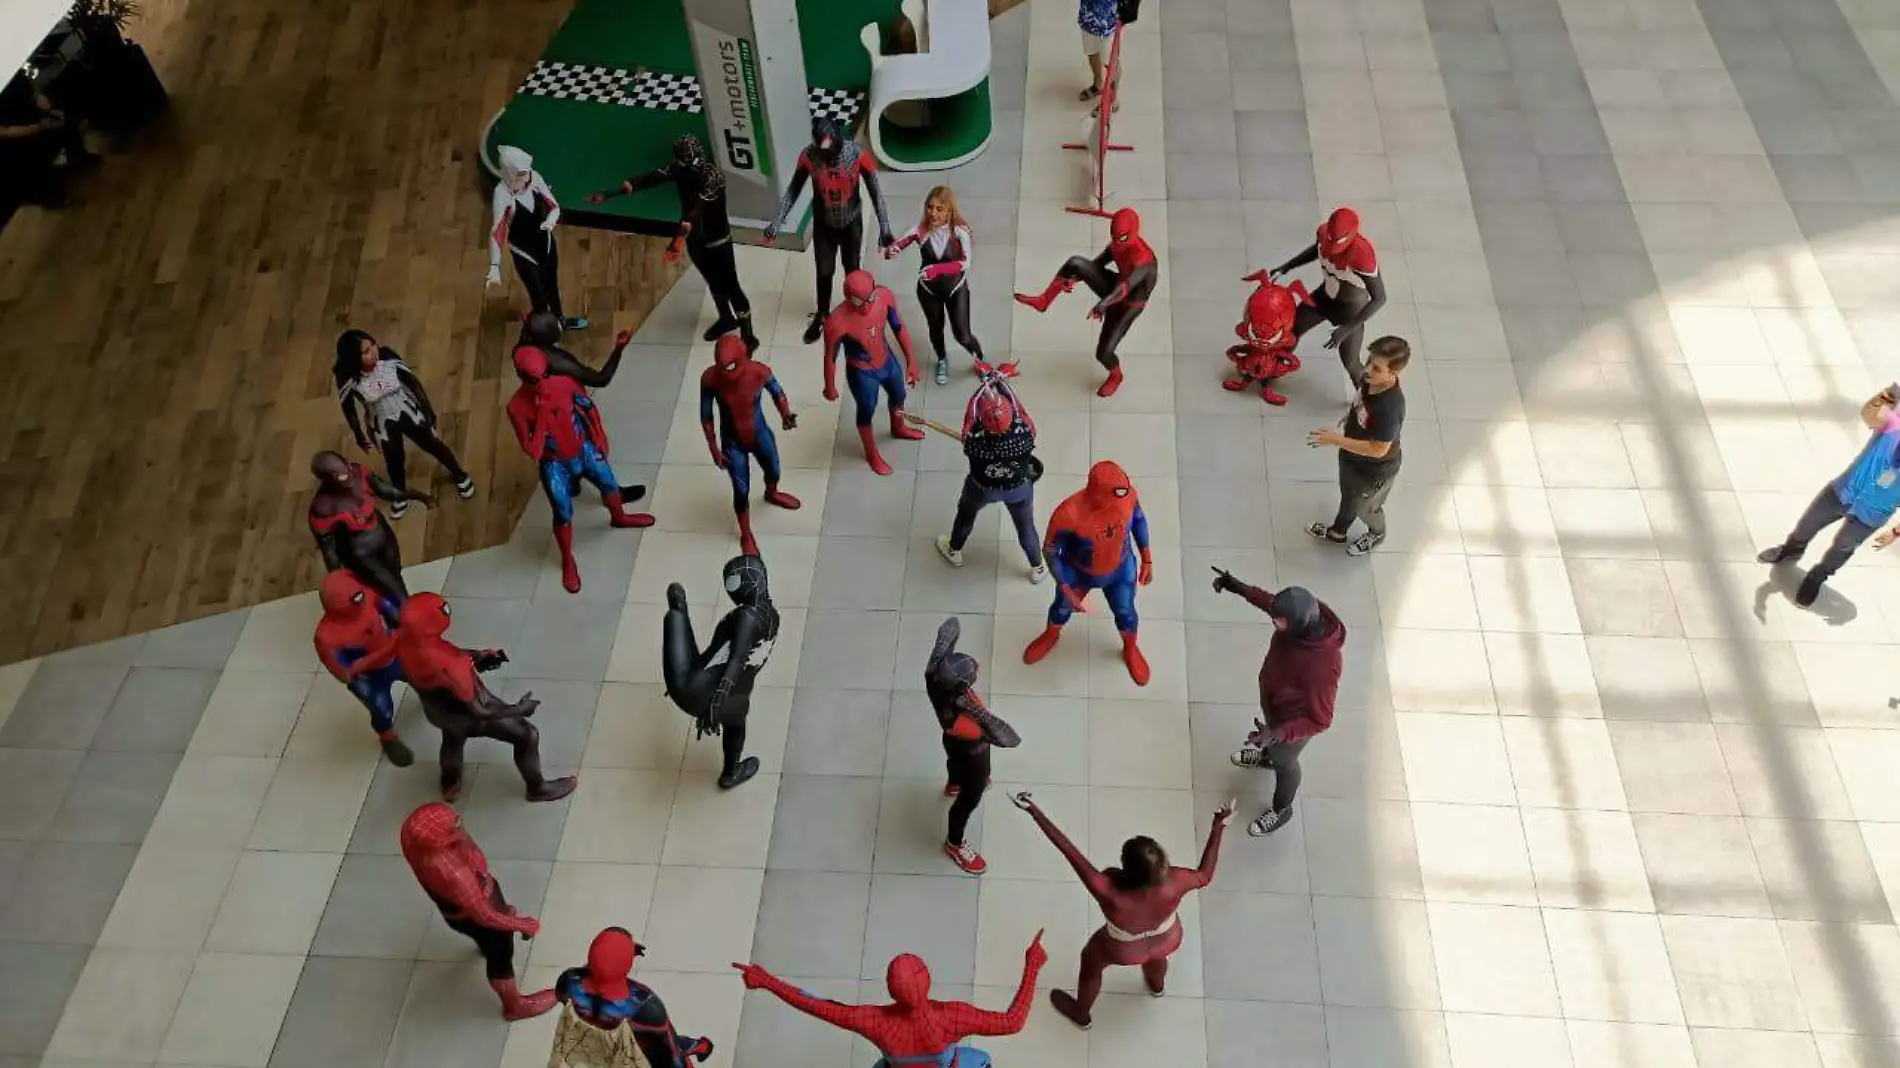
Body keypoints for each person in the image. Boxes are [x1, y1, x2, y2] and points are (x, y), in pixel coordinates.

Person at [1010, 791, 1233, 1030]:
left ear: (1125, 867)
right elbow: (1205, 875)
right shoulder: (1177, 880)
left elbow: (1068, 850)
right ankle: (1156, 986)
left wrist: (1035, 812)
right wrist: (1218, 826)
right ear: (1164, 862)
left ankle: (1081, 1014)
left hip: (1125, 949)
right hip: (1168, 938)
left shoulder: (1107, 890)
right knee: (1158, 957)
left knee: (1091, 963)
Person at [350, 594, 578, 803]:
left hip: (439, 713)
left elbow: (432, 653)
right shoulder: (453, 669)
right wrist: (520, 709)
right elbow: (482, 711)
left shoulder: (401, 639)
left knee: (452, 739)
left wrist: (476, 656)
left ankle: (450, 781)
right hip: (468, 713)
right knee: (527, 735)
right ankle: (537, 789)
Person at [733, 933, 1047, 1068]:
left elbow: (816, 1005)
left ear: (890, 989)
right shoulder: (953, 1016)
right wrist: (1032, 966)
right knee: (980, 1058)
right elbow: (1012, 1021)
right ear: (928, 982)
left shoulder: (873, 1022)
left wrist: (768, 981)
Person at [507, 341, 654, 594]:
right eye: (535, 378)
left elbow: (587, 406)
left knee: (608, 482)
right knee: (562, 511)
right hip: (554, 463)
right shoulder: (517, 407)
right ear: (521, 376)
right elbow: (533, 450)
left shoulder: (563, 383)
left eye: (545, 374)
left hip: (583, 449)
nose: (542, 382)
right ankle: (567, 559)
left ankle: (619, 517)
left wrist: (598, 434)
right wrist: (541, 416)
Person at [587, 134, 756, 349]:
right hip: (695, 239)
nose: (686, 162)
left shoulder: (712, 177)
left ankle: (748, 334)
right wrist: (609, 194)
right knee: (712, 281)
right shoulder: (678, 168)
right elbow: (649, 179)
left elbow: (695, 212)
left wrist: (676, 243)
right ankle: (726, 318)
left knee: (731, 286)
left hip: (717, 239)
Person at [1210, 571, 1344, 836]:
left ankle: (1282, 809)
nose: (1275, 624)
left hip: (1292, 723)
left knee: (1286, 762)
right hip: (1275, 707)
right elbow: (1270, 603)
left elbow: (1321, 720)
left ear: (1298, 624)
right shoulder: (1304, 616)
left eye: (1279, 623)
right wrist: (1239, 587)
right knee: (1273, 749)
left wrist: (1278, 734)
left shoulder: (1323, 664)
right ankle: (1266, 756)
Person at [400, 802, 556, 1021]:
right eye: (453, 825)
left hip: (454, 911)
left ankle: (486, 945)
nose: (458, 822)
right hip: (476, 913)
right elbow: (484, 916)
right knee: (500, 953)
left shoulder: (410, 834)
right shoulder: (455, 874)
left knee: (483, 936)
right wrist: (521, 924)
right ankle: (514, 1004)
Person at [1758, 384, 1900, 608]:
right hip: (1842, 492)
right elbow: (1869, 415)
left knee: (1843, 547)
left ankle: (1817, 577)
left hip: (1872, 514)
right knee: (1806, 525)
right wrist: (1883, 398)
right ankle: (1790, 550)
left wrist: (1895, 531)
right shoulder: (1895, 425)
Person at [905, 363, 1047, 583]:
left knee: (965, 515)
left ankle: (954, 550)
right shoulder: (1027, 433)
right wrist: (998, 379)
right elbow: (1020, 408)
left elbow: (969, 417)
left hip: (983, 488)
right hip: (1018, 489)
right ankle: (1037, 567)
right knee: (1025, 525)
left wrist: (985, 384)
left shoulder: (973, 442)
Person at [764, 117, 895, 344]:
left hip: (851, 223)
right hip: (824, 225)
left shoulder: (856, 154)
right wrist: (777, 221)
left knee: (853, 272)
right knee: (824, 272)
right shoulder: (809, 157)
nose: (830, 160)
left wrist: (885, 227)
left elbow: (876, 192)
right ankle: (823, 314)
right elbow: (793, 190)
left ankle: (856, 313)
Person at [1022, 461, 1153, 686]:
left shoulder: (1128, 497)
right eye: (1111, 498)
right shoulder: (1069, 513)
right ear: (1096, 494)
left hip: (1120, 570)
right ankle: (1051, 635)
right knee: (1061, 608)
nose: (1118, 503)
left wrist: (1146, 556)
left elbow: (1139, 519)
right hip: (1078, 572)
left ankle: (1130, 649)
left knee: (1126, 613)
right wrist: (1064, 586)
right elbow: (1051, 551)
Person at [1013, 207, 1157, 399]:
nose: (1116, 243)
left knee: (1104, 353)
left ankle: (1116, 375)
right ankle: (1044, 300)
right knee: (1075, 263)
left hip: (1129, 304)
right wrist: (1075, 278)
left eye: (1121, 239)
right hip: (1114, 288)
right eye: (1113, 237)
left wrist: (1103, 304)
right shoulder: (1117, 243)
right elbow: (1097, 264)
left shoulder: (1144, 259)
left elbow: (1126, 287)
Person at [661, 555, 777, 790]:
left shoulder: (746, 616)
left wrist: (716, 700)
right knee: (736, 724)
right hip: (736, 702)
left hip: (693, 689)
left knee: (675, 612)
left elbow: (736, 658)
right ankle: (730, 773)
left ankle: (679, 608)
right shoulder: (773, 617)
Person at [332, 329, 475, 512]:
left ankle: (459, 474)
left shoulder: (387, 357)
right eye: (366, 351)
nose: (373, 352)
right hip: (381, 421)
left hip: (406, 409)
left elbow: (412, 382)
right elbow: (348, 408)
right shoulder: (348, 378)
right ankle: (399, 493)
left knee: (432, 444)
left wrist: (427, 409)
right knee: (394, 459)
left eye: (372, 345)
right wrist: (358, 433)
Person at [926, 618, 1021, 875]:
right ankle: (955, 843)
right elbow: (1008, 738)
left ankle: (954, 783)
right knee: (970, 797)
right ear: (962, 686)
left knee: (954, 763)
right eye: (972, 673)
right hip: (973, 753)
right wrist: (976, 709)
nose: (976, 668)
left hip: (952, 745)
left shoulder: (933, 677)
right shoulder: (965, 724)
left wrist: (941, 650)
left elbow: (950, 626)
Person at [549, 928, 715, 1068]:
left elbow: (583, 986)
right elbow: (668, 1056)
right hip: (637, 1052)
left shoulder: (568, 980)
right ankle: (699, 1046)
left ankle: (696, 1045)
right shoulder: (643, 1004)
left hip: (594, 1050)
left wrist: (609, 962)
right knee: (669, 1046)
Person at [1306, 335, 1408, 556]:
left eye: (1377, 368)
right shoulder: (1370, 381)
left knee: (1366, 507)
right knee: (1349, 495)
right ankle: (1338, 533)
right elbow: (1361, 401)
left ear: (1394, 372)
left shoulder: (1390, 408)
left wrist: (1337, 440)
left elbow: (1378, 449)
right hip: (1352, 457)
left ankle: (1377, 532)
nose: (1368, 369)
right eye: (1369, 361)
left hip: (1374, 470)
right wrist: (1350, 416)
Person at [700, 334, 800, 556]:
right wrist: (714, 449)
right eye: (722, 368)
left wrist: (785, 414)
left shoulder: (759, 371)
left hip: (759, 434)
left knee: (773, 468)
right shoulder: (710, 379)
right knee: (741, 490)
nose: (727, 373)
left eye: (731, 366)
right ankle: (746, 534)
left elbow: (778, 393)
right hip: (732, 442)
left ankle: (772, 493)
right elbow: (706, 418)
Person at [1263, 206, 1385, 384]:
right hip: (1323, 297)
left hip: (1350, 311)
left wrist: (1347, 328)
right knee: (1291, 330)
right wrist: (1285, 267)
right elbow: (1317, 250)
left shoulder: (1362, 255)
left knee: (1351, 363)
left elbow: (1380, 298)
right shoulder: (1322, 234)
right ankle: (1272, 368)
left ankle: (1366, 402)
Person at [822, 269, 923, 476]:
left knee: (899, 395)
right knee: (867, 408)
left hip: (886, 360)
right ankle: (871, 453)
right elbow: (830, 358)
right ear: (848, 297)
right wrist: (829, 386)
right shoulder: (837, 322)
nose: (867, 305)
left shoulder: (884, 297)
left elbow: (899, 327)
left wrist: (911, 360)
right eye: (860, 302)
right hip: (862, 372)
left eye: (870, 298)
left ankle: (898, 427)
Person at [883, 186, 987, 386]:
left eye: (940, 209)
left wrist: (937, 270)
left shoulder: (960, 232)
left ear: (949, 210)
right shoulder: (920, 231)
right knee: (935, 328)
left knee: (962, 334)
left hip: (956, 288)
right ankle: (942, 359)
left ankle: (980, 360)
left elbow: (965, 263)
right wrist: (892, 250)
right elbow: (899, 243)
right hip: (928, 290)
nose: (933, 213)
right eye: (930, 207)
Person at [313, 571, 415, 766]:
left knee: (422, 675)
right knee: (381, 708)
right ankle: (388, 737)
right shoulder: (326, 638)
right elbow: (345, 674)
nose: (360, 605)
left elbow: (386, 606)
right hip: (368, 677)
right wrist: (383, 651)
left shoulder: (365, 596)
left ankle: (436, 701)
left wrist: (403, 622)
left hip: (394, 655)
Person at [308, 451, 434, 606]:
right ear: (327, 480)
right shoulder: (323, 509)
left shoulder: (359, 473)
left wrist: (417, 496)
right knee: (394, 588)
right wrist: (338, 582)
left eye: (347, 468)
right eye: (340, 476)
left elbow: (386, 491)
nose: (349, 476)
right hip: (361, 553)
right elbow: (329, 551)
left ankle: (389, 609)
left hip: (383, 534)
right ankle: (408, 617)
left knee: (395, 573)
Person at [487, 146, 588, 330]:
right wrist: (494, 265)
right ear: (511, 174)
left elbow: (554, 206)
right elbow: (498, 231)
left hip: (546, 243)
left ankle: (560, 320)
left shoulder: (535, 178)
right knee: (538, 297)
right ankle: (546, 334)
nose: (528, 176)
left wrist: (551, 220)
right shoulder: (501, 195)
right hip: (524, 253)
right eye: (522, 173)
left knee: (552, 286)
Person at [0, 73, 98, 210]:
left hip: (28, 115)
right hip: (12, 136)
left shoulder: (9, 70)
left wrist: (49, 108)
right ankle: (50, 196)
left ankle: (78, 156)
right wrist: (38, 127)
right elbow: (4, 131)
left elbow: (31, 93)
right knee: (35, 146)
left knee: (66, 111)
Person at [1223, 275, 1309, 406]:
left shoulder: (1274, 349)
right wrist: (1240, 361)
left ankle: (1261, 388)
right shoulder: (1254, 344)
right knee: (1250, 378)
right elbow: (1232, 351)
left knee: (1263, 381)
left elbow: (1294, 363)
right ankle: (1244, 384)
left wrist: (1280, 369)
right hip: (1251, 368)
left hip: (1264, 370)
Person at [1076, 0, 1119, 107]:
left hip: (1110, 22)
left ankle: (1112, 98)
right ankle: (1098, 85)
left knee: (1110, 60)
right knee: (1091, 52)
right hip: (1088, 18)